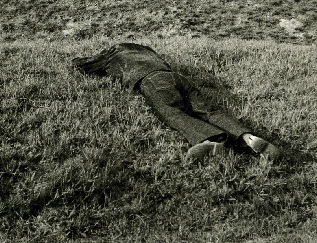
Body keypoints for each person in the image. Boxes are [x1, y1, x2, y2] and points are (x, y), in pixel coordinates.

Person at [72, 42, 282, 161]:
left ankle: (209, 141)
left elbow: (84, 65)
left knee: (171, 112)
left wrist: (83, 60)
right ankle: (249, 137)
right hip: (175, 76)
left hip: (152, 80)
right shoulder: (147, 51)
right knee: (209, 109)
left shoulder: (114, 52)